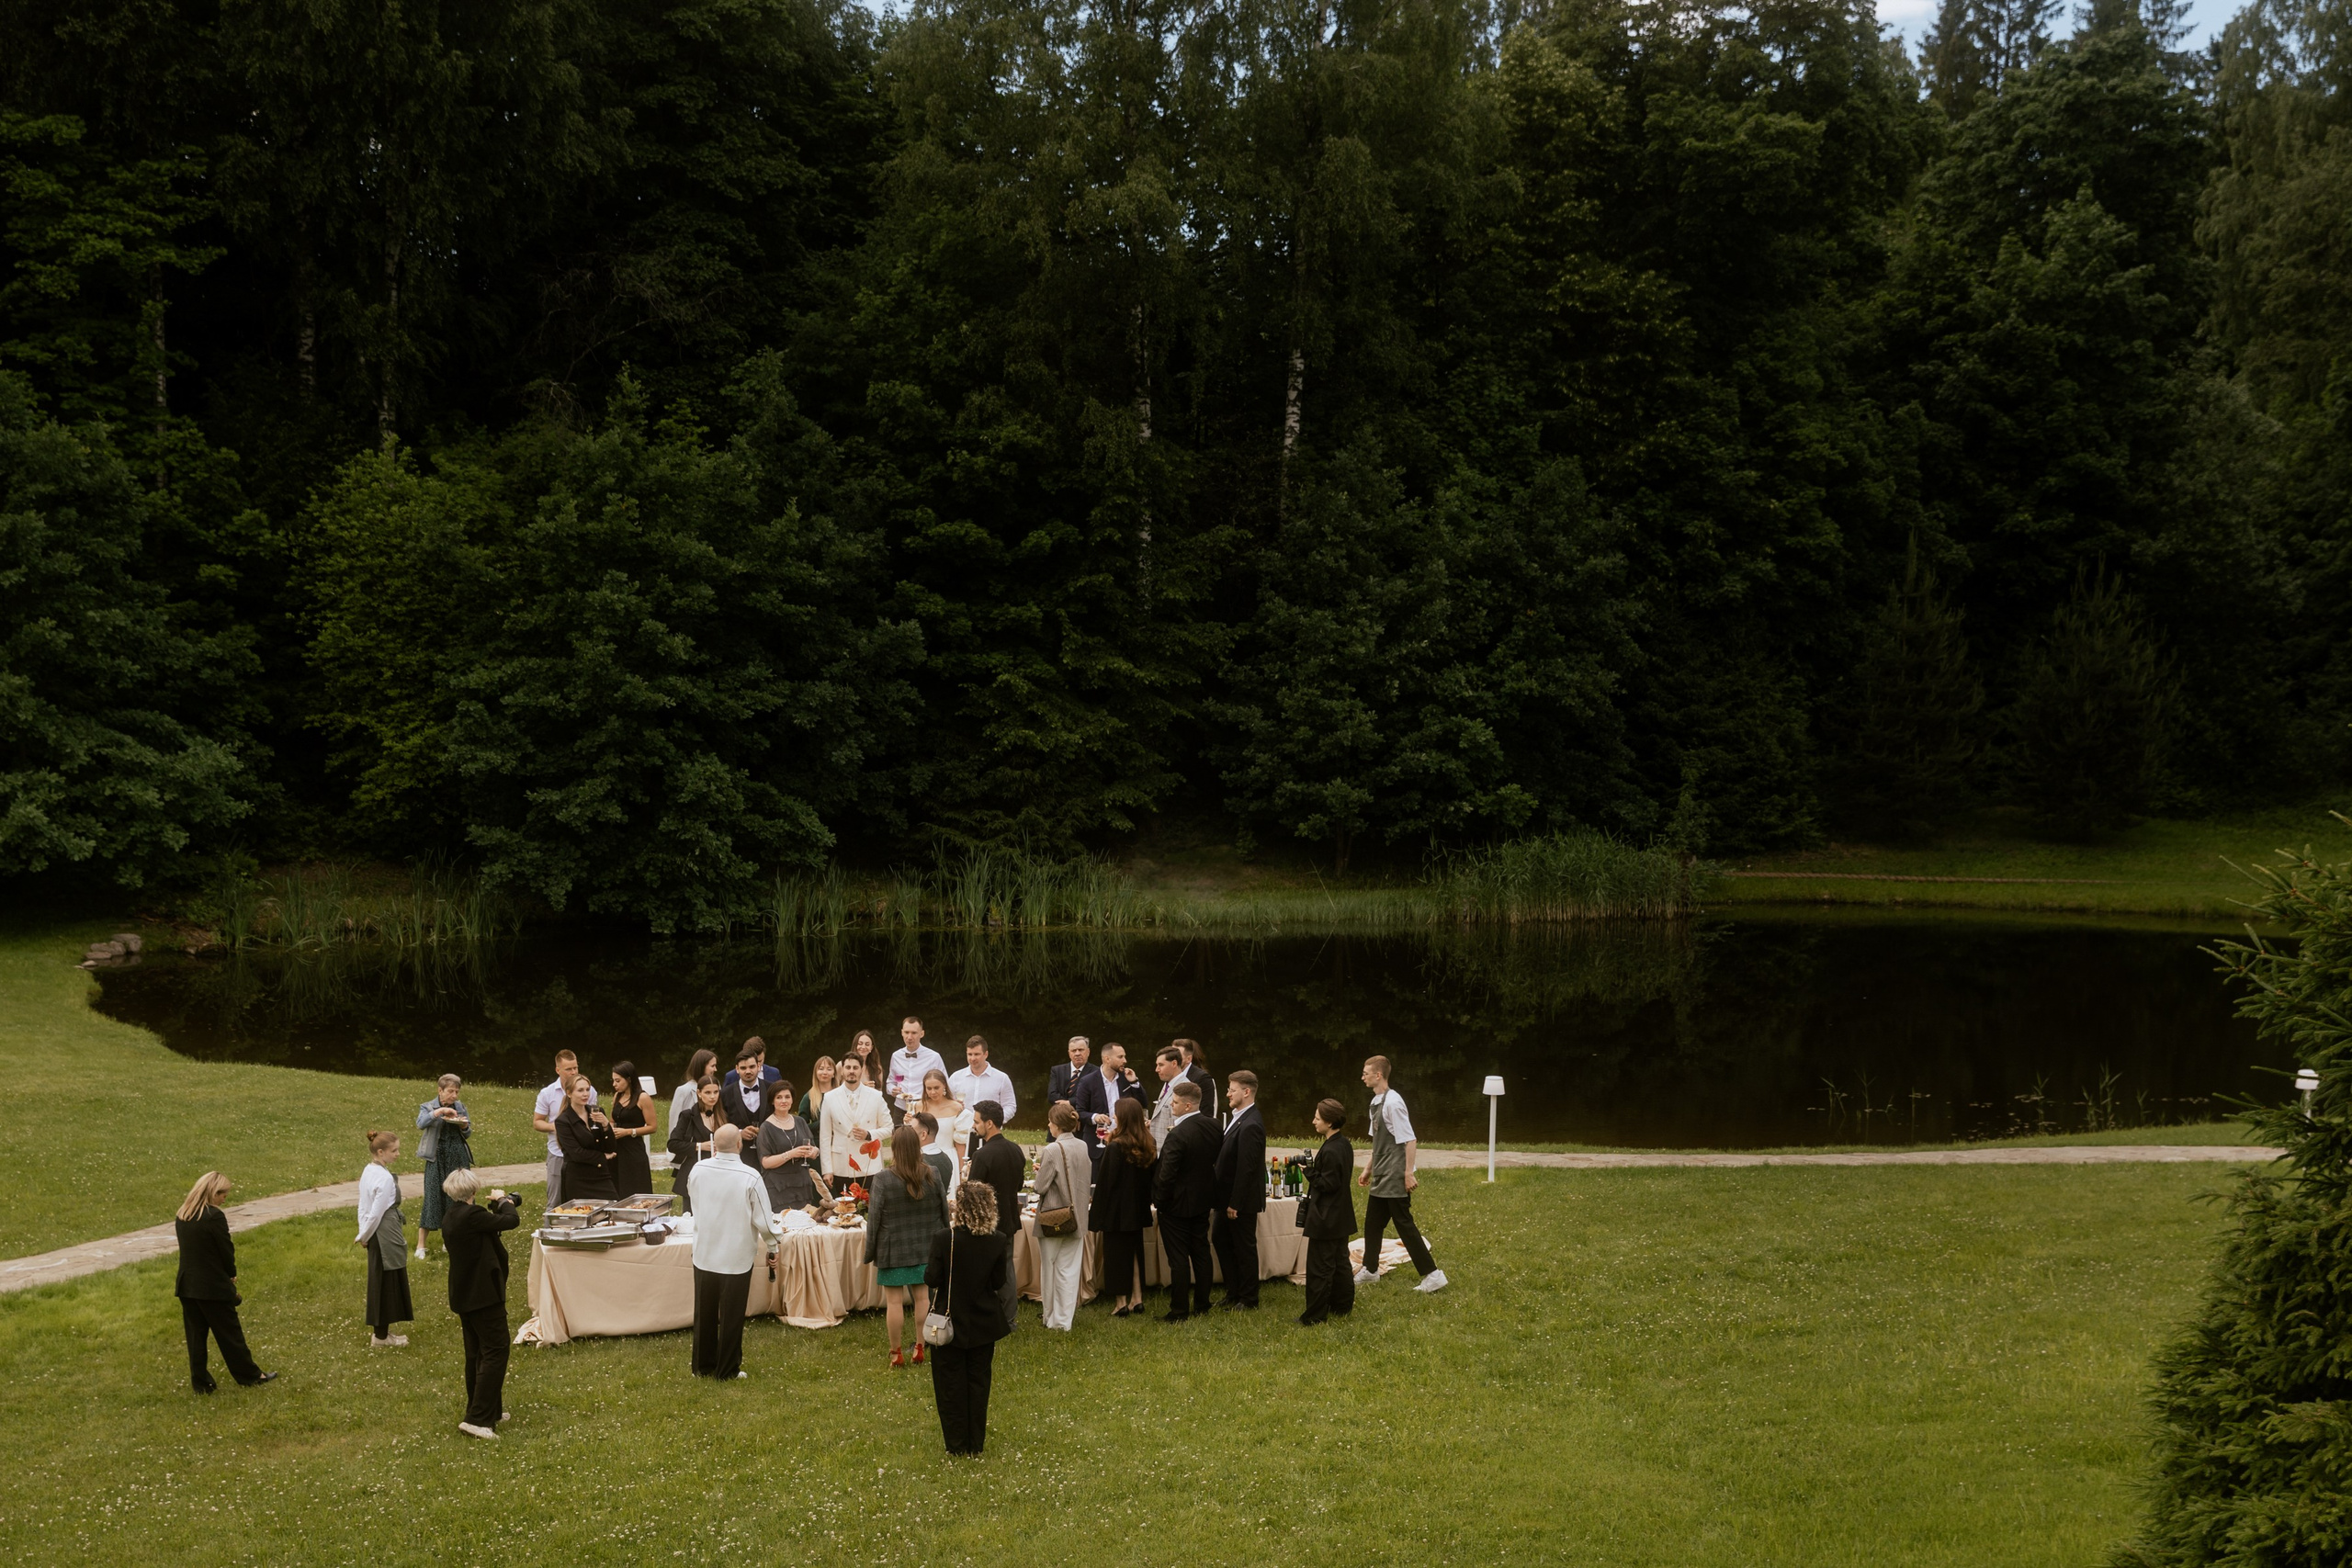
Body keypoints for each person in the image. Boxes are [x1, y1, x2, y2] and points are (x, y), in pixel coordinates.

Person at [925, 1180, 1012, 1457]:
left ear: (960, 1209)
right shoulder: (998, 1239)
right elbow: (999, 1282)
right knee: (978, 1384)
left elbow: (932, 1278)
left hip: (949, 1320)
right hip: (983, 1323)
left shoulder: (944, 1239)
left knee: (949, 1384)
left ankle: (956, 1445)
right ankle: (976, 1444)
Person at [687, 1124, 775, 1380]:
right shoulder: (750, 1176)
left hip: (705, 1251)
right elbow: (764, 1220)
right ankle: (726, 1370)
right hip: (735, 1256)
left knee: (703, 1312)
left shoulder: (698, 1169)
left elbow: (695, 1200)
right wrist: (773, 1245)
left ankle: (702, 1367)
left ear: (714, 1146)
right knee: (731, 1314)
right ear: (740, 1145)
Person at [174, 1172, 274, 1393]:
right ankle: (250, 1375)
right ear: (213, 1192)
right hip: (212, 1286)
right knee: (230, 1334)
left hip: (187, 1285)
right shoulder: (214, 1216)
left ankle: (201, 1383)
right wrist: (231, 1273)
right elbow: (225, 1249)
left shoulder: (183, 1214)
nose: (225, 1199)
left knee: (196, 1337)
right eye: (223, 1194)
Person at [1356, 1055, 1446, 1292]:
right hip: (1381, 1174)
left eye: (1366, 1072)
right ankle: (1371, 1270)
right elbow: (1379, 1142)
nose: (1362, 1076)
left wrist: (1408, 1173)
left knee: (1404, 1225)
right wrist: (1367, 1169)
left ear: (1378, 1075)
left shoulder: (1393, 1103)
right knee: (1373, 1224)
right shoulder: (1376, 1102)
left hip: (1395, 1175)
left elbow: (1410, 1139)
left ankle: (1433, 1275)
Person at [439, 1168, 518, 1438]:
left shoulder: (452, 1215)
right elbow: (510, 1221)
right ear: (473, 1191)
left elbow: (493, 1222)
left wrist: (499, 1205)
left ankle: (487, 1411)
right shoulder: (472, 1216)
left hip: (465, 1294)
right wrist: (503, 1200)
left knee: (477, 1354)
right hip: (483, 1295)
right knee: (496, 1350)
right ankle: (478, 1419)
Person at [865, 1124, 951, 1367]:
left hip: (892, 1250)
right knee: (923, 1298)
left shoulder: (882, 1178)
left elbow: (874, 1221)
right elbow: (944, 1212)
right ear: (917, 1146)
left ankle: (896, 1353)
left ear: (894, 1148)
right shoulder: (932, 1172)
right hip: (926, 1248)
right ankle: (920, 1346)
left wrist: (869, 1253)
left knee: (894, 1303)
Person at [1150, 1082, 1221, 1321]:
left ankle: (1179, 1310)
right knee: (1201, 1252)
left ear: (1188, 1105)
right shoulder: (1214, 1126)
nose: (1172, 1105)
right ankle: (1202, 1304)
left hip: (1176, 1206)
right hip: (1202, 1201)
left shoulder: (1178, 1134)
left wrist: (1160, 1201)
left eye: (1176, 1102)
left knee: (1178, 1258)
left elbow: (1167, 1174)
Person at [1091, 1098, 1157, 1316]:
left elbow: (1106, 1184)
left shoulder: (1116, 1146)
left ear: (1123, 1118)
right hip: (1138, 1209)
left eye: (1117, 1113)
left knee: (1117, 1255)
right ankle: (1137, 1298)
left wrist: (1096, 1214)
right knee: (1135, 1253)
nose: (1114, 1117)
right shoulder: (1148, 1143)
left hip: (1117, 1211)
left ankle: (1120, 1303)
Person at [963, 1100, 1025, 1329]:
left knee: (985, 1272)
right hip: (1009, 1218)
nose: (974, 1125)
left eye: (977, 1121)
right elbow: (1018, 1184)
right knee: (1007, 1268)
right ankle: (1008, 1318)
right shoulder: (1015, 1149)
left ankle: (988, 1316)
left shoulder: (983, 1155)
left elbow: (973, 1193)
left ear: (989, 1124)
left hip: (987, 1222)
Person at [1297, 1099, 1358, 1325]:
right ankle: (1341, 1306)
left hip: (1326, 1217)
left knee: (1319, 1268)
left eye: (1317, 1118)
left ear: (1330, 1122)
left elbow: (1329, 1184)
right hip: (1340, 1216)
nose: (1314, 1121)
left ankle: (1314, 1316)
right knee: (1340, 1263)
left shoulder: (1332, 1149)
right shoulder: (1343, 1143)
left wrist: (1310, 1173)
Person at [1033, 1103, 1091, 1331]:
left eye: (1050, 1122)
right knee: (1069, 1270)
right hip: (1078, 1215)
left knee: (1049, 1270)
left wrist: (1040, 1173)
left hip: (1053, 1217)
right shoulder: (1083, 1145)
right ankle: (1063, 1321)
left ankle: (1050, 1317)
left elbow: (1040, 1187)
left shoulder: (1052, 1150)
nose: (1048, 1125)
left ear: (1056, 1125)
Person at [1212, 1069, 1267, 1309]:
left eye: (1231, 1090)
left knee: (1243, 1248)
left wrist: (1236, 1202)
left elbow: (1247, 1168)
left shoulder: (1252, 1123)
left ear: (1246, 1092)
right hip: (1225, 1198)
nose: (1227, 1094)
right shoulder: (1238, 1116)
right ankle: (1233, 1292)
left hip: (1239, 1201)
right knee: (1221, 1240)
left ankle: (1249, 1298)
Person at [356, 1130, 413, 1348]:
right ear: (380, 1152)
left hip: (376, 1232)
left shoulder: (369, 1170)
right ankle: (380, 1337)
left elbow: (364, 1206)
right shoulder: (384, 1177)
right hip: (384, 1233)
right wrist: (365, 1235)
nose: (398, 1154)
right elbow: (376, 1212)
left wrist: (363, 1232)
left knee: (382, 1280)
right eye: (394, 1150)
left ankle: (383, 1334)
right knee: (386, 1282)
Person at [414, 1074, 472, 1258]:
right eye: (450, 1091)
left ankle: (451, 1241)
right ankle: (421, 1246)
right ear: (440, 1091)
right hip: (436, 1157)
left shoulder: (460, 1107)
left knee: (458, 1198)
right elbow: (420, 1123)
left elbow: (468, 1132)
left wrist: (463, 1126)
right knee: (432, 1197)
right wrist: (439, 1112)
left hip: (457, 1156)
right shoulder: (428, 1107)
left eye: (457, 1091)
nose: (454, 1095)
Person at [819, 1054, 891, 1190]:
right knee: (844, 1209)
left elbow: (889, 1128)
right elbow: (825, 1137)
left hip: (869, 1164)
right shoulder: (829, 1098)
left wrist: (868, 1134)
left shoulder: (876, 1096)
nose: (851, 1071)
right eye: (848, 1067)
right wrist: (827, 1169)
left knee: (869, 1209)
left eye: (855, 1067)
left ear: (861, 1070)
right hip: (841, 1165)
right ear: (842, 1070)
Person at [532, 1050, 596, 1203]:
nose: (573, 1072)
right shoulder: (547, 1093)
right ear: (558, 1070)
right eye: (568, 1069)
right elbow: (537, 1122)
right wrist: (558, 1127)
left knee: (584, 1200)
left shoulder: (589, 1091)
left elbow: (593, 1118)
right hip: (558, 1152)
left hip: (583, 1152)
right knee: (555, 1201)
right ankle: (550, 1227)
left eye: (575, 1068)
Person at [754, 1079, 826, 1211]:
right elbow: (765, 1162)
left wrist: (813, 1152)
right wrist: (790, 1154)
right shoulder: (766, 1127)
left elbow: (815, 1149)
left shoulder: (800, 1122)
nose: (784, 1101)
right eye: (779, 1097)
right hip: (778, 1186)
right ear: (772, 1101)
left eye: (787, 1097)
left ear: (792, 1099)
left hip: (801, 1182)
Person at [1072, 1041, 1144, 1162]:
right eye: (1120, 1057)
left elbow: (1143, 1104)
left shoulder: (1126, 1079)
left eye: (1124, 1056)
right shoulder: (1087, 1081)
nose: (1125, 1060)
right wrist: (1095, 1117)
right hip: (1097, 1143)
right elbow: (1080, 1112)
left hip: (1125, 1141)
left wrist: (1134, 1082)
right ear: (1107, 1059)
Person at [555, 1075, 620, 1202]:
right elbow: (576, 1153)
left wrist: (606, 1125)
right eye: (580, 1090)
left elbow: (611, 1147)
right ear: (569, 1093)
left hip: (600, 1174)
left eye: (587, 1089)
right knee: (583, 1215)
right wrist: (603, 1156)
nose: (585, 1094)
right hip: (578, 1178)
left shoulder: (596, 1112)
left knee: (614, 1209)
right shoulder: (563, 1121)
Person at [947, 1036, 1016, 1151]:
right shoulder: (956, 1077)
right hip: (962, 1134)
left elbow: (1010, 1106)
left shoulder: (1001, 1078)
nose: (973, 1058)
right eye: (970, 1054)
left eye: (977, 1054)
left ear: (986, 1054)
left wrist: (994, 1122)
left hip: (990, 1135)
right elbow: (947, 1104)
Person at [668, 1077, 728, 1209]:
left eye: (716, 1092)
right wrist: (699, 1146)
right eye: (708, 1093)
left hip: (719, 1173)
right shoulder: (688, 1116)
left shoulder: (723, 1115)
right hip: (694, 1173)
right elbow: (673, 1144)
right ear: (699, 1093)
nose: (712, 1096)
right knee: (691, 1219)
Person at [914, 1067, 971, 1182]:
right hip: (923, 1159)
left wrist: (961, 1171)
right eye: (929, 1088)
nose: (932, 1092)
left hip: (949, 1157)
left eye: (936, 1088)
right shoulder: (919, 1106)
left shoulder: (956, 1107)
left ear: (944, 1085)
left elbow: (960, 1144)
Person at [887, 1016, 947, 1111]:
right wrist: (892, 1090)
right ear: (902, 1032)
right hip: (900, 1108)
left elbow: (944, 1084)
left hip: (925, 1107)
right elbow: (891, 1082)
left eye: (914, 1033)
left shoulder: (933, 1057)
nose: (909, 1037)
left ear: (922, 1034)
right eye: (906, 1032)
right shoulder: (896, 1056)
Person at [669, 1048, 718, 1134]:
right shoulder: (683, 1090)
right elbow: (674, 1122)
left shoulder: (717, 1087)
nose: (715, 1069)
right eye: (712, 1066)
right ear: (702, 1066)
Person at [720, 1045, 770, 1130]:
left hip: (768, 1142)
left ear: (758, 1066)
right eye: (743, 1068)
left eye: (752, 1067)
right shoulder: (724, 1094)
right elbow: (722, 1123)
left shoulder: (771, 1089)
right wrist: (739, 1133)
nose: (748, 1071)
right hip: (738, 1142)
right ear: (737, 1069)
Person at [911, 1111, 957, 1197]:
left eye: (911, 1131)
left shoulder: (919, 1162)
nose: (908, 1134)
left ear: (923, 1135)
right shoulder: (946, 1158)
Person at [1148, 1044, 1186, 1145]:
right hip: (1159, 1151)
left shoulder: (1185, 1088)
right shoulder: (1168, 1084)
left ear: (1174, 1063)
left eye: (1161, 1065)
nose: (1157, 1069)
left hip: (1170, 1151)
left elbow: (1182, 1127)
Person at [1175, 1039, 1218, 1127]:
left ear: (1189, 1058)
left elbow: (1207, 1112)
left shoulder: (1202, 1078)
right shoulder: (1170, 1076)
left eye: (1178, 1056)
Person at [1046, 1036, 1091, 1109]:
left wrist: (1070, 1102)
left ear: (1088, 1052)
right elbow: (1052, 1095)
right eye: (1074, 1050)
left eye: (1081, 1050)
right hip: (1061, 1115)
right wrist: (1066, 1105)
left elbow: (1092, 1097)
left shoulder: (1096, 1072)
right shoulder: (1057, 1071)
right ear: (1069, 1053)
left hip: (1085, 1116)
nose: (1077, 1053)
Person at [842, 1030, 883, 1101]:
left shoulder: (877, 1069)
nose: (863, 1047)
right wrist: (861, 1087)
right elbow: (835, 1091)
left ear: (871, 1048)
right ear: (855, 1045)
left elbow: (879, 1095)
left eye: (867, 1044)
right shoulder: (842, 1065)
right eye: (860, 1043)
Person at [804, 1055, 838, 1136]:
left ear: (834, 1074)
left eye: (829, 1069)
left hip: (839, 1143)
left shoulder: (841, 1095)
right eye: (821, 1069)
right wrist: (823, 1122)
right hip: (817, 1143)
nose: (825, 1072)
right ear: (816, 1073)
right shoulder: (808, 1097)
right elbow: (802, 1126)